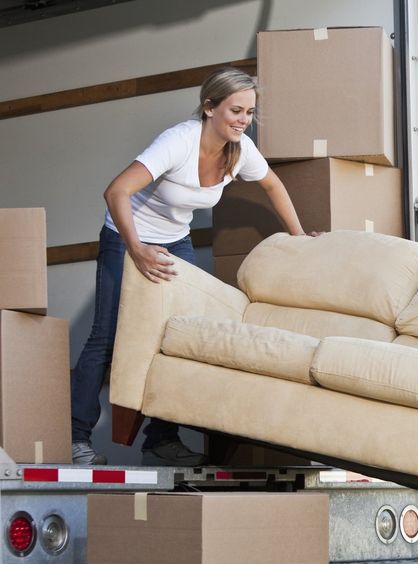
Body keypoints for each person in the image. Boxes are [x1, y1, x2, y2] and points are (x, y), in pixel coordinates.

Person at [71, 66, 313, 466]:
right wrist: (135, 248)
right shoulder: (178, 142)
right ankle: (79, 439)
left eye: (250, 113)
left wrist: (300, 237)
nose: (243, 121)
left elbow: (272, 185)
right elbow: (115, 191)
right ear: (208, 107)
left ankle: (159, 438)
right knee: (107, 335)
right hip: (125, 236)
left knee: (179, 336)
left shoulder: (239, 151)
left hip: (175, 240)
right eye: (236, 111)